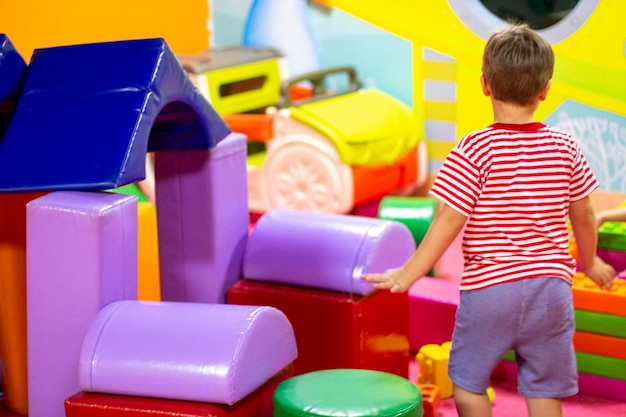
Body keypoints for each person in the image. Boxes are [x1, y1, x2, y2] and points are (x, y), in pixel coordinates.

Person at [362, 23, 616, 417]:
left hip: (490, 289)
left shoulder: (474, 148)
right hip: (550, 290)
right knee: (543, 390)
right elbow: (584, 214)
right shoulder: (565, 147)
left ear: (484, 84)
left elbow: (449, 220)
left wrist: (410, 272)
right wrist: (590, 261)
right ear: (545, 90)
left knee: (466, 385)